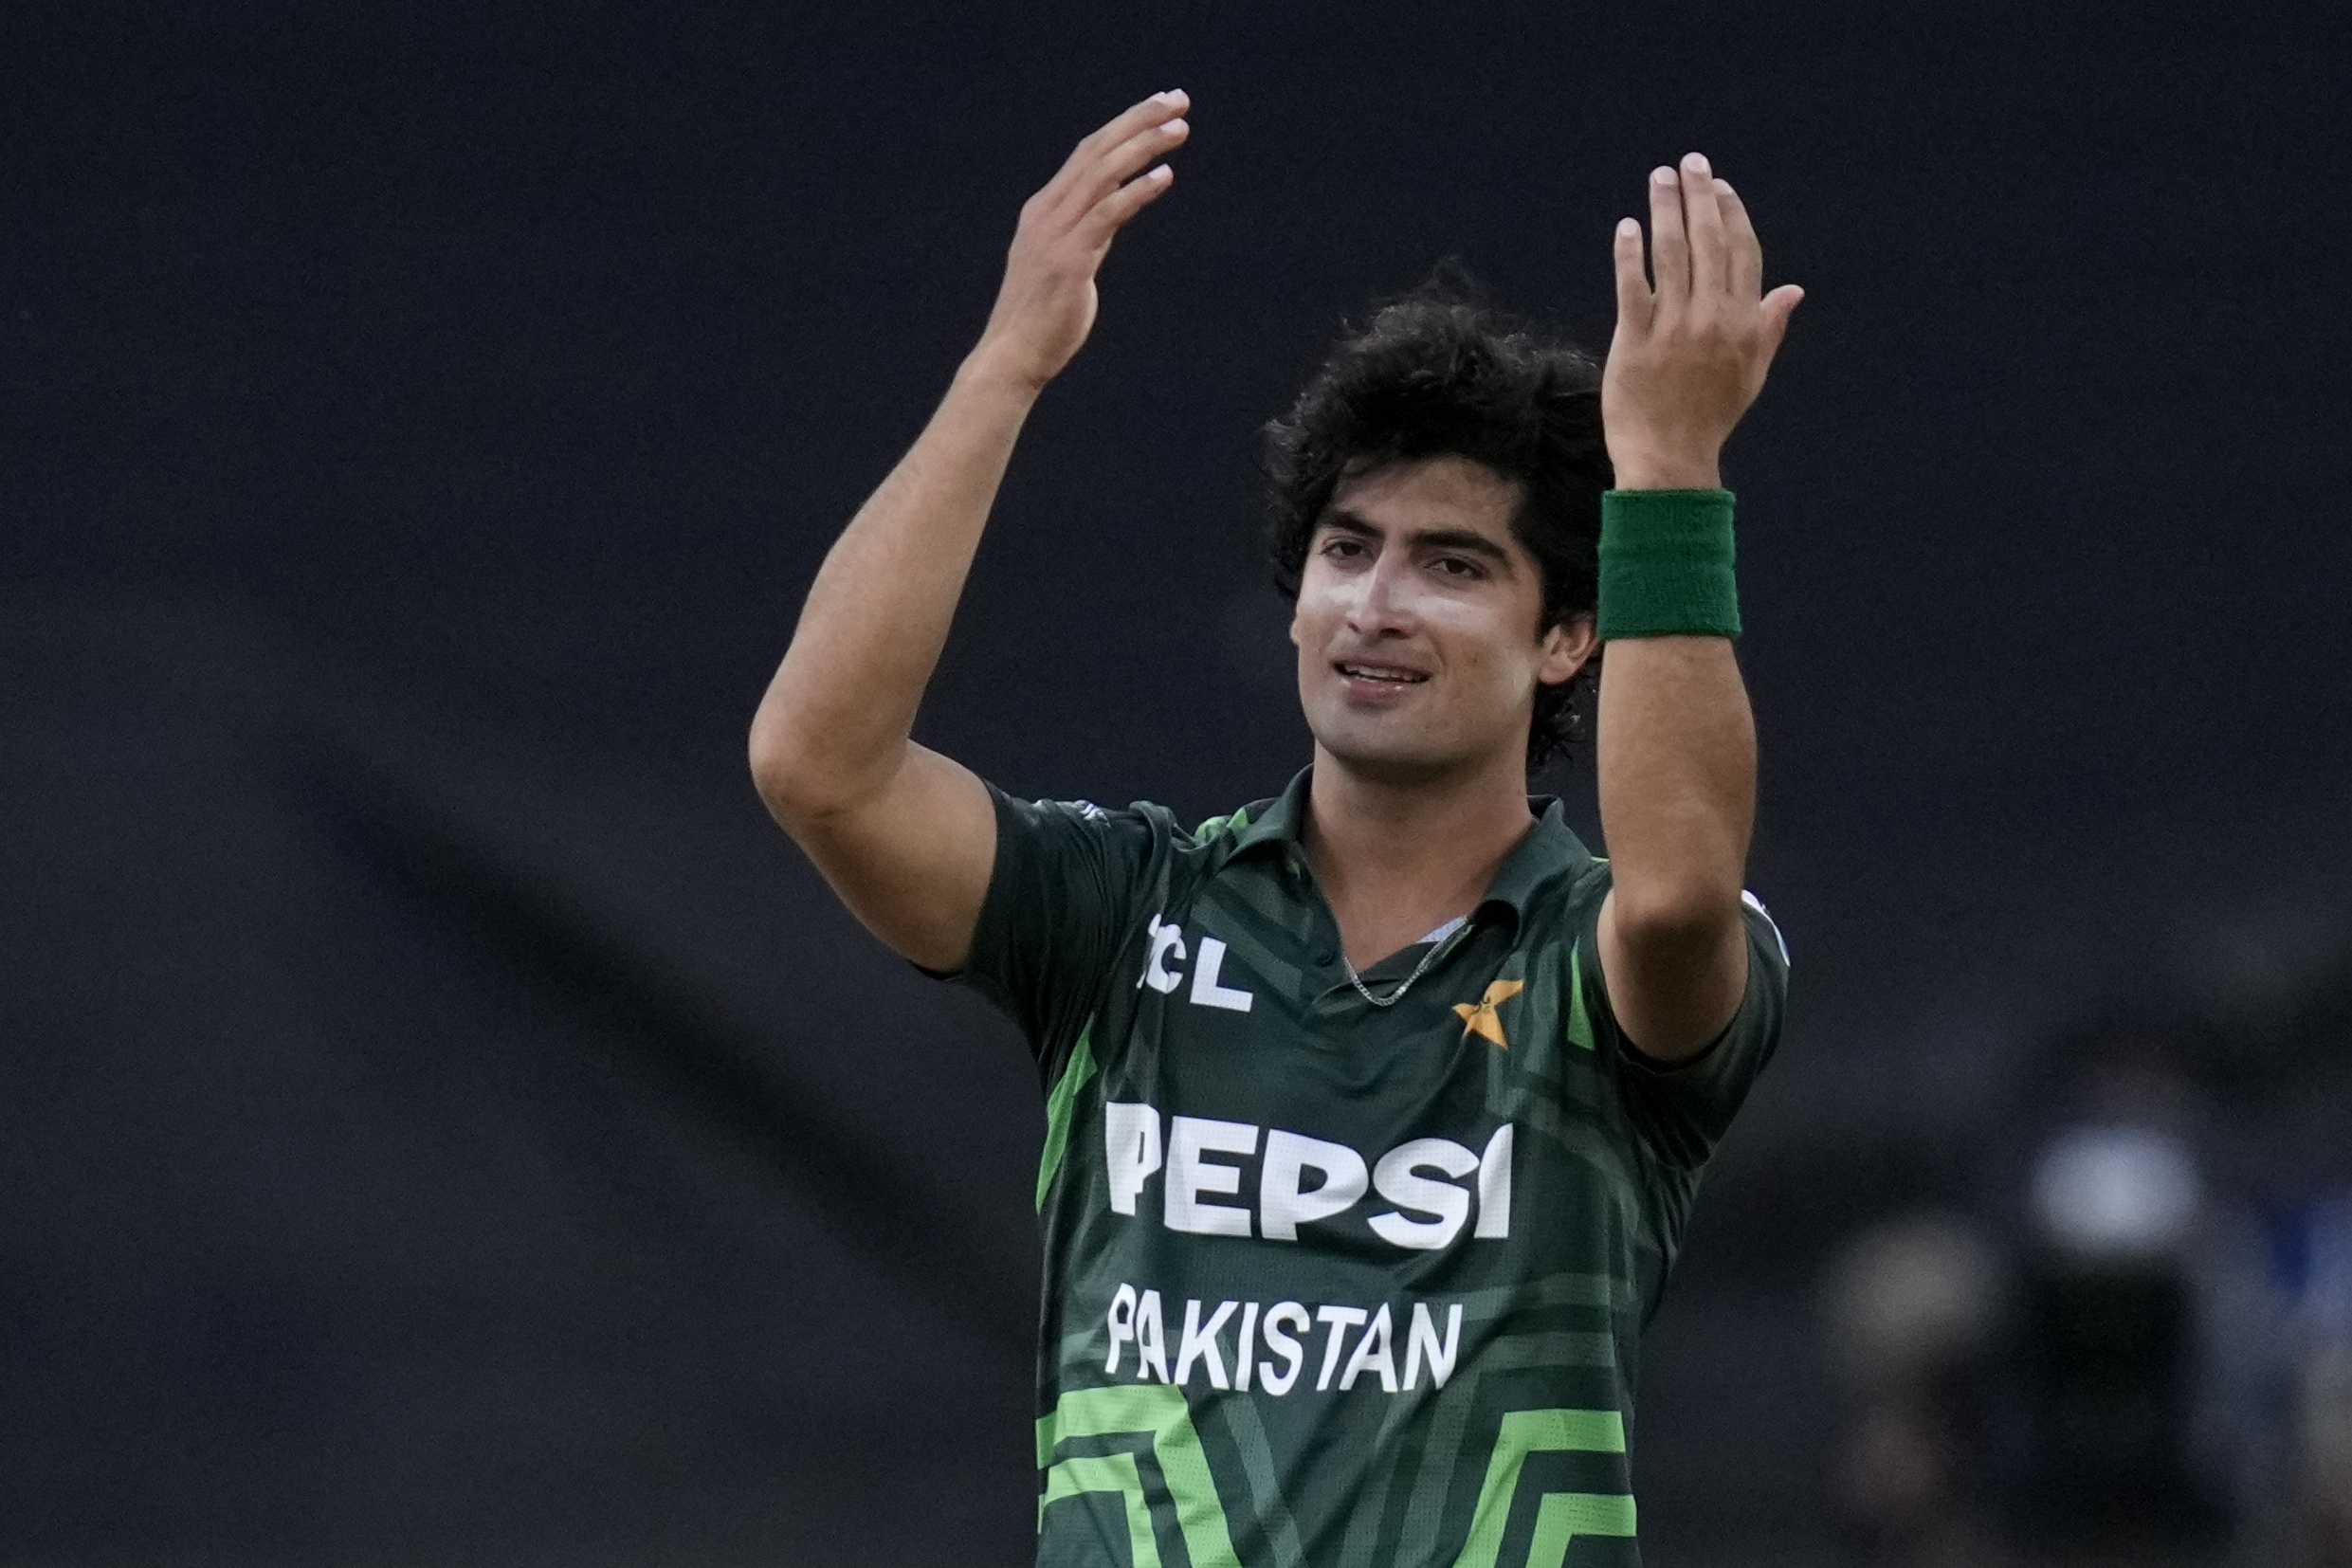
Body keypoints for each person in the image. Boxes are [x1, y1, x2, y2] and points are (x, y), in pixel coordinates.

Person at [750, 88, 1800, 1568]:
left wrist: (1670, 471)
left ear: (1567, 636)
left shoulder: (1590, 951)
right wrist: (1006, 366)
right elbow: (820, 766)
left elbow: (1683, 898)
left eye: (1449, 564)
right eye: (1345, 552)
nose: (1373, 606)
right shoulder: (1126, 914)